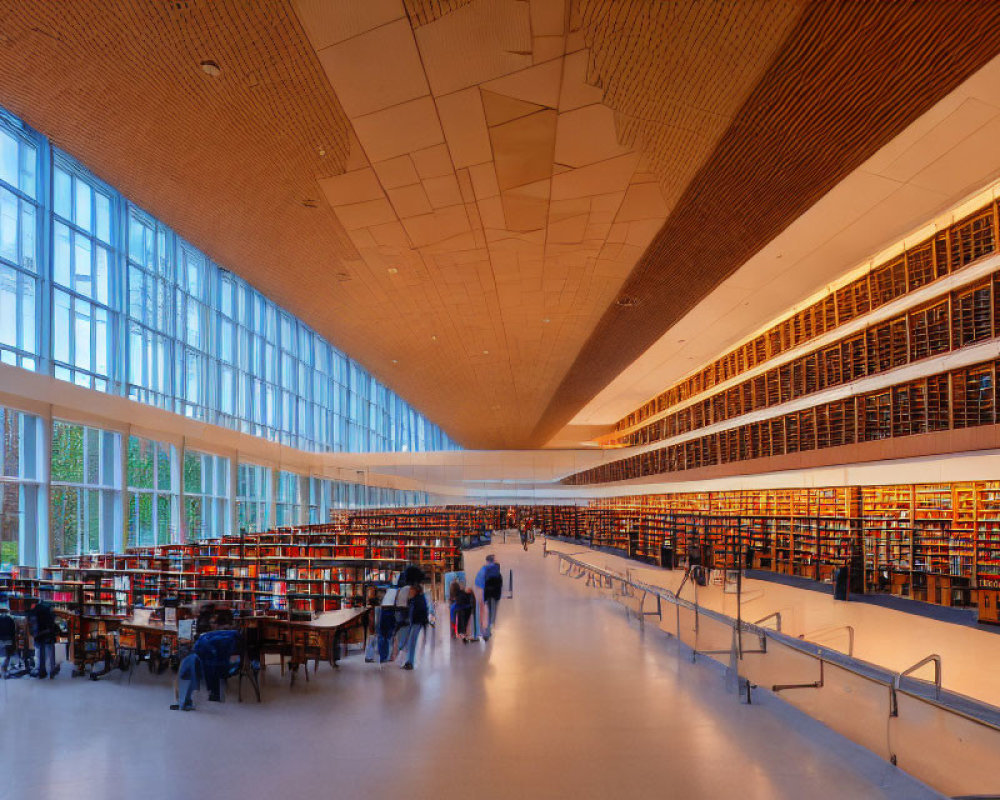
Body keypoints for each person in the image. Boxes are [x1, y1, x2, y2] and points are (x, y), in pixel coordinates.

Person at [27, 599, 58, 679]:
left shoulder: (33, 611)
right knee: (50, 653)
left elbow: (31, 624)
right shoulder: (48, 612)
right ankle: (51, 671)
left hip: (38, 635)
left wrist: (34, 634)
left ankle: (41, 671)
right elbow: (52, 623)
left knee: (39, 654)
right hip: (48, 634)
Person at [475, 554, 503, 641]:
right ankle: (491, 625)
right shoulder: (496, 568)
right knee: (493, 609)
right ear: (493, 561)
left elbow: (478, 582)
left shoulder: (484, 569)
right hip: (496, 592)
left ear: (487, 561)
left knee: (488, 610)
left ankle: (487, 630)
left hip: (487, 592)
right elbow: (500, 581)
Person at [0, 606, 15, 677]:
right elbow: (13, 631)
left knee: (1, 654)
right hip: (8, 639)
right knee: (7, 654)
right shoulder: (10, 619)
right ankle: (4, 669)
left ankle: (1, 670)